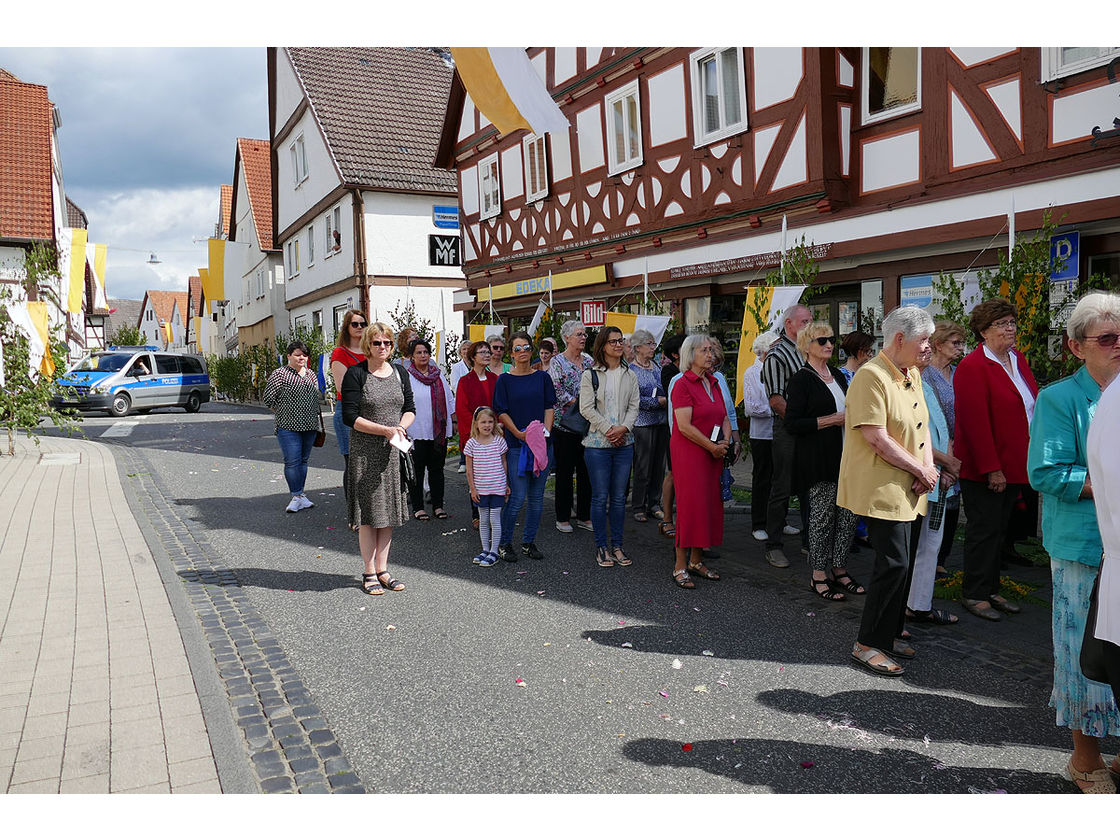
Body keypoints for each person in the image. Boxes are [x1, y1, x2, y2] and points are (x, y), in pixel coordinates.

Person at [1028, 293, 1120, 793]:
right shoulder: (1060, 399)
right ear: (1076, 347)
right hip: (1084, 545)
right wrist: (1108, 483)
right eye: (1106, 339)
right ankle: (1085, 757)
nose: (1117, 346)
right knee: (1083, 651)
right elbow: (1046, 471)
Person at [838, 305, 938, 677]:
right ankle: (867, 643)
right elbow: (876, 437)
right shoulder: (871, 376)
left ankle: (890, 632)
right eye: (923, 340)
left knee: (904, 563)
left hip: (911, 483)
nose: (929, 346)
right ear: (900, 339)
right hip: (882, 484)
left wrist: (926, 467)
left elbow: (922, 426)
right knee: (892, 563)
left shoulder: (911, 373)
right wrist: (919, 469)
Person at [954, 298, 1038, 621]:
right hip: (985, 469)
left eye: (1012, 323)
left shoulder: (1018, 359)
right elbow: (975, 424)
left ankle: (990, 588)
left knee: (1000, 531)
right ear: (983, 331)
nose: (1010, 329)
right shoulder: (972, 366)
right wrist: (993, 469)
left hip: (1016, 463)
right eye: (1002, 324)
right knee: (983, 530)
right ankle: (974, 593)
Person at [786, 322, 862, 601]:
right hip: (819, 460)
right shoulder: (801, 380)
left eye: (831, 339)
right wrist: (832, 420)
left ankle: (840, 569)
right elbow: (793, 423)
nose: (829, 344)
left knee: (848, 517)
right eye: (822, 340)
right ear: (807, 345)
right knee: (822, 519)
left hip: (848, 457)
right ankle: (819, 574)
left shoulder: (839, 376)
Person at [341, 322, 416, 596]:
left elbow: (410, 408)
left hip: (391, 453)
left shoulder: (399, 373)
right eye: (376, 343)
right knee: (368, 515)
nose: (382, 347)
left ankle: (383, 570)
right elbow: (350, 417)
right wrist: (384, 429)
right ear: (367, 346)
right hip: (365, 452)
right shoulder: (355, 374)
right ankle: (368, 571)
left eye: (387, 343)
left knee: (387, 515)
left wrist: (400, 427)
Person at [904, 341, 962, 626]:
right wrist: (947, 463)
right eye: (921, 344)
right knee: (914, 545)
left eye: (929, 344)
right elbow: (912, 437)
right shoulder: (906, 384)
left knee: (931, 543)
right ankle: (904, 606)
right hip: (920, 478)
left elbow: (943, 429)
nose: (927, 350)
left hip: (939, 477)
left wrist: (949, 465)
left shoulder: (924, 384)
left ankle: (920, 604)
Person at [668, 334, 729, 589]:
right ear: (690, 354)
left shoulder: (713, 381)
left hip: (711, 452)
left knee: (706, 506)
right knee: (690, 507)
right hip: (691, 454)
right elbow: (684, 426)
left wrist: (725, 442)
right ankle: (679, 565)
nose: (710, 354)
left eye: (711, 350)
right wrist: (712, 446)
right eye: (704, 350)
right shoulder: (682, 384)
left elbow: (724, 415)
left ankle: (696, 561)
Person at [580, 325, 640, 567]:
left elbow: (634, 406)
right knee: (599, 497)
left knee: (618, 498)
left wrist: (624, 429)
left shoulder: (630, 374)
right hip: (597, 445)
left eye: (620, 341)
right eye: (613, 341)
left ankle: (617, 545)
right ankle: (601, 547)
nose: (618, 345)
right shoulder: (590, 375)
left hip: (624, 443)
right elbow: (586, 408)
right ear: (602, 345)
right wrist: (609, 430)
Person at [494, 332, 556, 561]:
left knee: (537, 497)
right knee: (518, 496)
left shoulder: (542, 378)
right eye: (517, 348)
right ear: (511, 353)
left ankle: (529, 542)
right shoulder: (504, 380)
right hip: (517, 445)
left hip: (541, 445)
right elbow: (501, 411)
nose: (523, 352)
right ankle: (505, 542)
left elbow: (549, 406)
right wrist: (518, 433)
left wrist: (545, 433)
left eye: (526, 347)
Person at [762, 304, 813, 568]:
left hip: (809, 429)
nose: (809, 324)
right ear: (789, 324)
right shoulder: (778, 355)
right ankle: (774, 545)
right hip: (788, 429)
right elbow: (776, 400)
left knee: (810, 486)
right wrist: (799, 422)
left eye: (811, 320)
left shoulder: (808, 350)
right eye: (805, 321)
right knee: (782, 487)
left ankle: (810, 540)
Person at [923, 320, 968, 576]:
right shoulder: (925, 373)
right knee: (937, 502)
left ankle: (942, 558)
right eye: (955, 343)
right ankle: (930, 558)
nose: (960, 348)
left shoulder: (960, 371)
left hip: (959, 446)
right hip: (936, 447)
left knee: (953, 504)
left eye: (962, 343)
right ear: (938, 345)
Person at [263, 341, 325, 513]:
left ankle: (301, 495)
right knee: (292, 462)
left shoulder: (311, 375)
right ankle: (296, 496)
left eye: (304, 355)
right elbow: (268, 398)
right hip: (288, 427)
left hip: (310, 426)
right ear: (289, 355)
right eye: (298, 354)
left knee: (303, 461)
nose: (302, 358)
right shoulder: (280, 374)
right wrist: (284, 411)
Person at [550, 319, 593, 533]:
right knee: (565, 473)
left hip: (587, 425)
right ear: (566, 338)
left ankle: (584, 515)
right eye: (579, 334)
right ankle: (563, 516)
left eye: (584, 334)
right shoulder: (557, 362)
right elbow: (556, 391)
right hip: (565, 425)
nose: (583, 337)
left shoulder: (589, 361)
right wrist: (581, 403)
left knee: (586, 472)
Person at [405, 338, 454, 521]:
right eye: (418, 352)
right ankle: (418, 507)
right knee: (416, 472)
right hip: (415, 432)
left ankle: (438, 506)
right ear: (412, 356)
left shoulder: (438, 375)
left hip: (438, 432)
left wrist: (453, 422)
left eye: (425, 352)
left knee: (436, 470)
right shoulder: (407, 377)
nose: (423, 355)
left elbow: (449, 399)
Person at [456, 340, 499, 528]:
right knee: (475, 474)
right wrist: (476, 432)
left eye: (488, 352)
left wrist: (494, 429)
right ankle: (477, 513)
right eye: (482, 352)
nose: (487, 355)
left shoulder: (495, 379)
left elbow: (499, 406)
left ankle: (494, 510)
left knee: (493, 473)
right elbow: (462, 409)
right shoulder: (465, 381)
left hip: (494, 434)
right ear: (473, 357)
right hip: (474, 436)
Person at [629, 328, 669, 523]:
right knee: (643, 466)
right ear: (637, 348)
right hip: (642, 423)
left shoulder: (656, 366)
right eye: (650, 344)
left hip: (661, 422)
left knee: (658, 467)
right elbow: (633, 399)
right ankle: (638, 505)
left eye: (654, 344)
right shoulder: (631, 370)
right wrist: (658, 402)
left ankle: (654, 503)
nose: (653, 347)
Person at [464, 407, 510, 568]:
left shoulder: (499, 441)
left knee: (494, 519)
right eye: (483, 422)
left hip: (497, 487)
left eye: (490, 422)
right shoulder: (471, 444)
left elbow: (504, 462)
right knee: (483, 519)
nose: (487, 425)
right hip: (481, 489)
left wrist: (506, 484)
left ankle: (494, 551)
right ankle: (485, 549)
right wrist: (473, 488)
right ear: (476, 424)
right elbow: (469, 469)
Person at [742, 332, 777, 541]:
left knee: (779, 479)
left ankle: (779, 520)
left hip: (780, 432)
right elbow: (751, 407)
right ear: (765, 350)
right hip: (762, 434)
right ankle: (759, 523)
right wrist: (777, 409)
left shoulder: (778, 368)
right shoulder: (752, 372)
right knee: (763, 478)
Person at [330, 310, 367, 503]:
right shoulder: (340, 352)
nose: (360, 327)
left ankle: (370, 510)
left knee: (370, 464)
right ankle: (354, 512)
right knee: (353, 465)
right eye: (355, 324)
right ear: (347, 327)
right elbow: (343, 387)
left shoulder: (371, 351)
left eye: (363, 323)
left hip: (371, 412)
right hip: (349, 413)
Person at [658, 333, 686, 540]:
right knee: (674, 473)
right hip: (675, 429)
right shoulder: (670, 372)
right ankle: (667, 518)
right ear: (676, 355)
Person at [451, 337, 474, 474]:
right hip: (463, 402)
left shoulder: (477, 364)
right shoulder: (456, 367)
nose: (466, 352)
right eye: (463, 349)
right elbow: (455, 385)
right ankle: (463, 461)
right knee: (465, 432)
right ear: (460, 352)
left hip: (476, 403)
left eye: (468, 349)